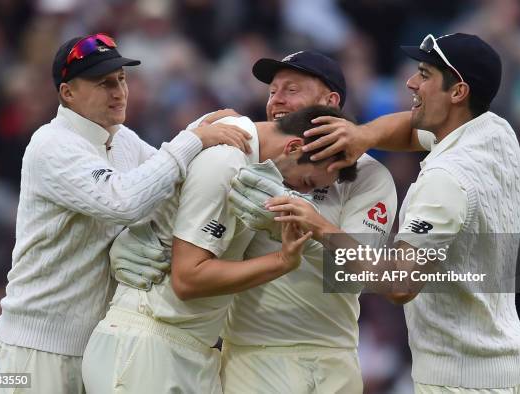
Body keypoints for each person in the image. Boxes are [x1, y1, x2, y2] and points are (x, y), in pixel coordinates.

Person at [110, 50, 397, 393]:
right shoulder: (241, 153)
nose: (277, 100)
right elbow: (169, 204)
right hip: (249, 355)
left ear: (329, 100)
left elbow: (363, 276)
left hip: (331, 355)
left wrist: (306, 222)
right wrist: (150, 232)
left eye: (291, 90)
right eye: (273, 91)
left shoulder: (367, 175)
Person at [0, 33, 250, 394]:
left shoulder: (121, 137)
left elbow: (167, 178)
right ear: (67, 93)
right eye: (103, 83)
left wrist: (213, 129)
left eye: (122, 80)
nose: (119, 92)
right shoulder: (50, 144)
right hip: (35, 349)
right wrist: (194, 137)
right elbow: (124, 202)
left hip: (97, 342)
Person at [267, 33, 520, 393]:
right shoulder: (494, 132)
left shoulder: (446, 182)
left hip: (458, 378)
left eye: (424, 74)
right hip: (497, 360)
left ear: (457, 92)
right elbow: (410, 130)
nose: (410, 82)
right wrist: (362, 135)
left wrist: (320, 226)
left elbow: (398, 283)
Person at [81, 105, 358, 393]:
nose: (300, 193)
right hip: (150, 343)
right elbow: (188, 278)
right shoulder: (226, 157)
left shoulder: (233, 140)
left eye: (291, 89)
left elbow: (390, 280)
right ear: (293, 146)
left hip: (191, 350)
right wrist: (282, 261)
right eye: (306, 182)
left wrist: (317, 228)